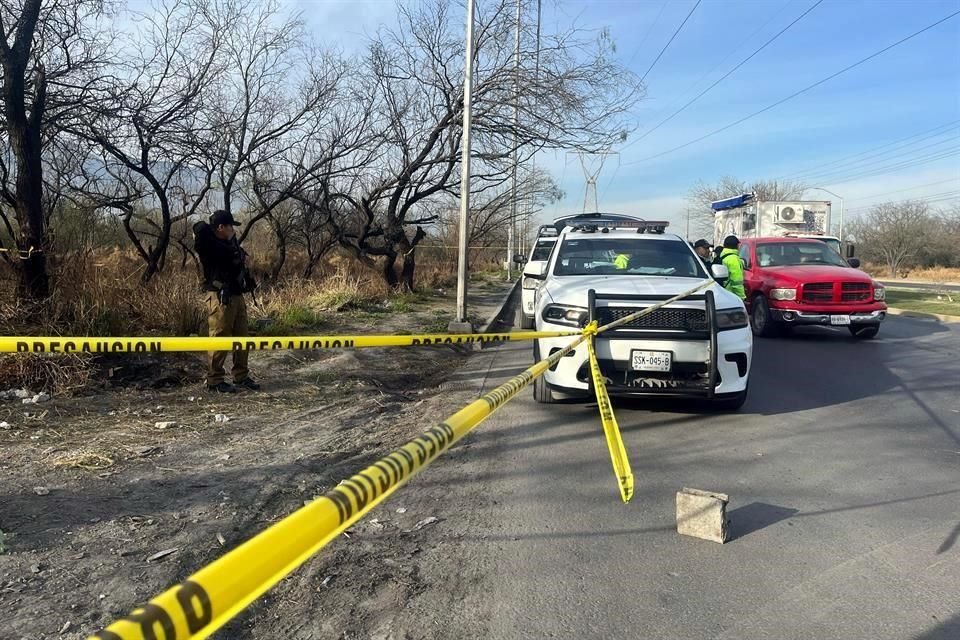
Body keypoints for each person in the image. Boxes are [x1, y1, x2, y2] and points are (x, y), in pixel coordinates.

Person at [193, 210, 260, 393]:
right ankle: (214, 380)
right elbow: (199, 230)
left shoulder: (230, 244)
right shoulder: (208, 244)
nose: (233, 230)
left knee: (242, 338)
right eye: (230, 226)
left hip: (237, 296)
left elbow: (237, 257)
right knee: (219, 337)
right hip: (219, 297)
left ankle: (241, 376)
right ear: (221, 227)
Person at [718, 235, 746, 299]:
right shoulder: (733, 259)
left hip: (723, 293)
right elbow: (736, 281)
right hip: (732, 295)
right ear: (736, 246)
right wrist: (741, 297)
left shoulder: (723, 256)